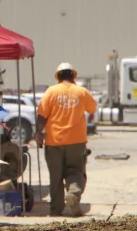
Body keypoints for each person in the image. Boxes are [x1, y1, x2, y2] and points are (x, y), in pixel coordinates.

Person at [35, 62, 97, 217]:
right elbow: (92, 108)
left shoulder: (51, 92)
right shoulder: (81, 92)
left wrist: (38, 133)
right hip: (76, 142)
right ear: (73, 76)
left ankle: (56, 210)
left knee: (55, 177)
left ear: (58, 77)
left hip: (54, 142)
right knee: (76, 171)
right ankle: (73, 194)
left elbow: (41, 116)